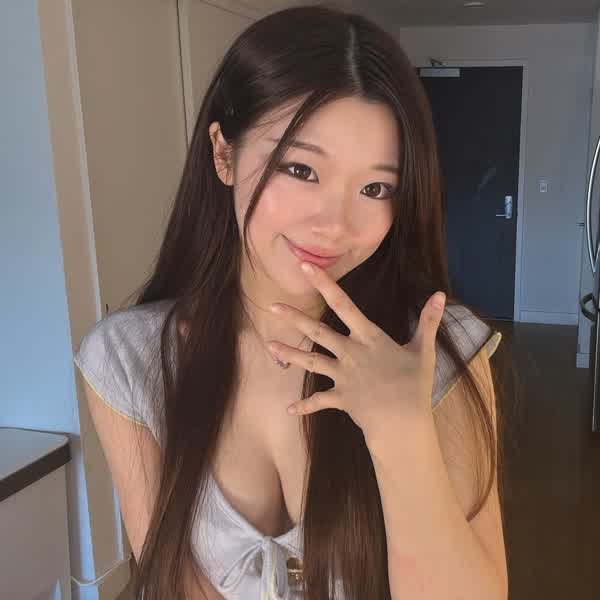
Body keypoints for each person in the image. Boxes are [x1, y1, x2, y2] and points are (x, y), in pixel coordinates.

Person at [73, 4, 508, 599]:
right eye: (301, 169)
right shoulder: (129, 361)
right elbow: (174, 585)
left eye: (375, 187)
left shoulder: (436, 348)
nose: (335, 224)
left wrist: (401, 431)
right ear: (223, 153)